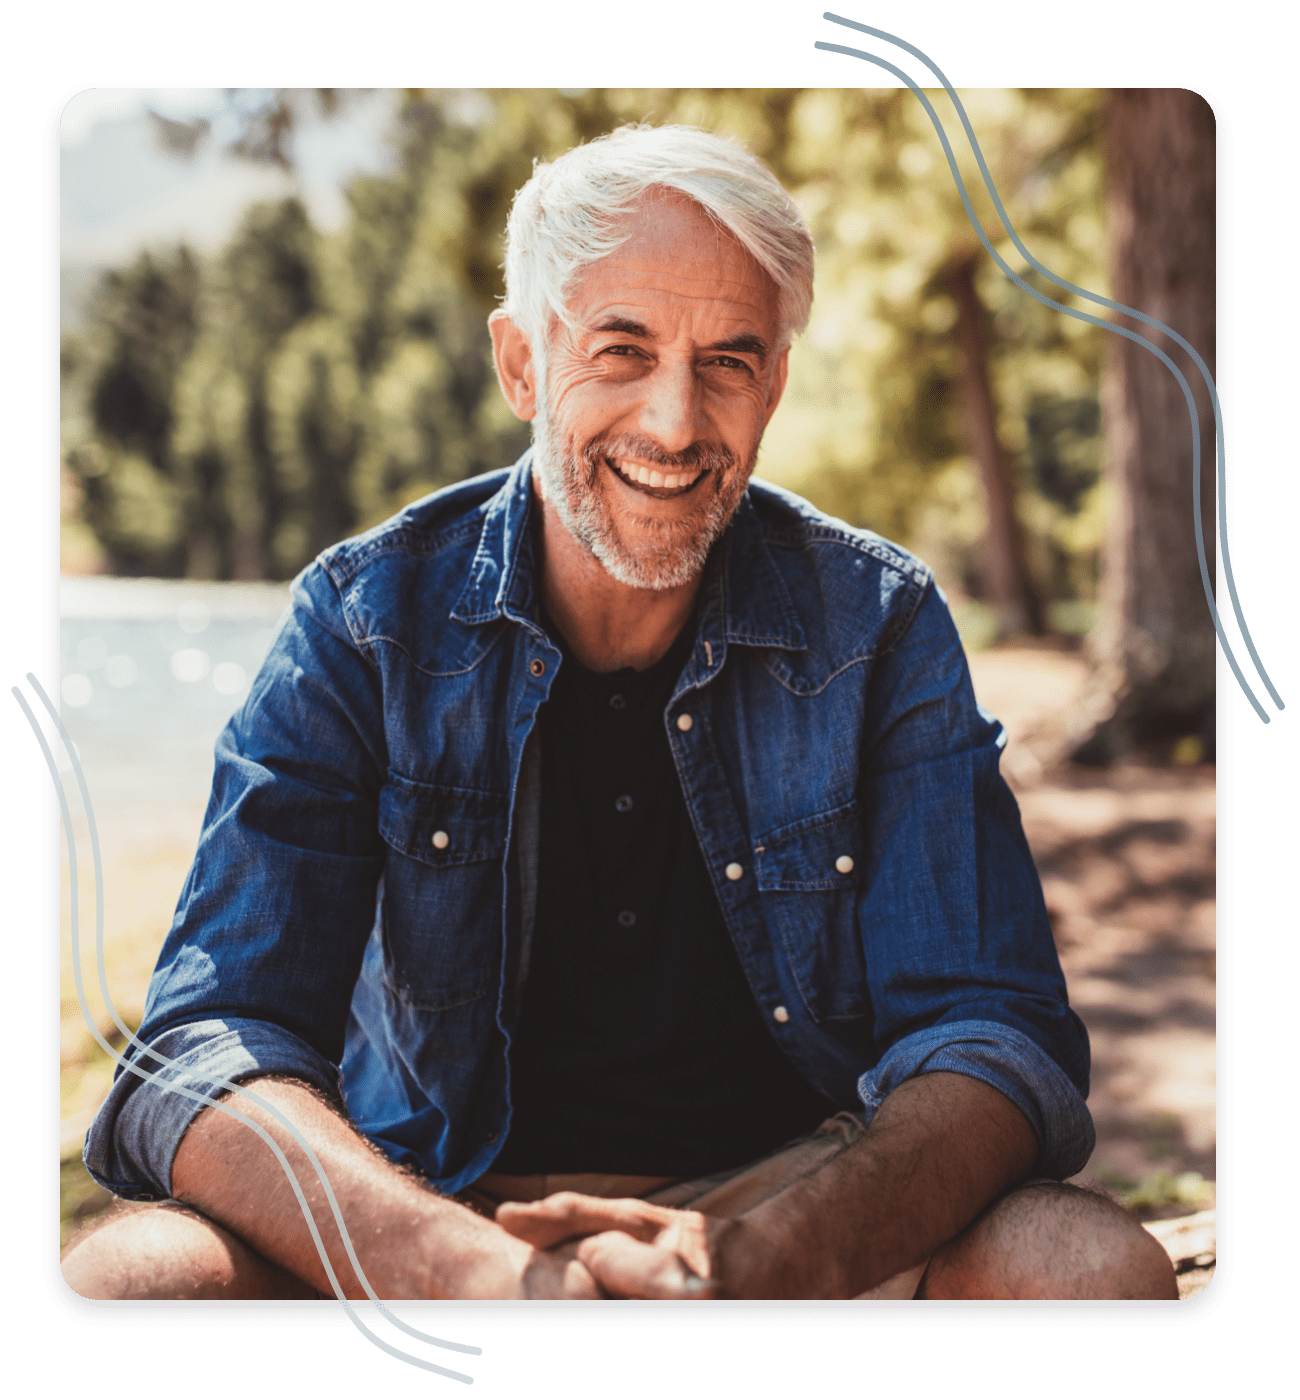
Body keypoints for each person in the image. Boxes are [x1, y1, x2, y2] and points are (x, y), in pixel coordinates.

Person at [63, 124, 1176, 1302]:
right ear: (521, 363)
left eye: (729, 361)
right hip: (431, 1199)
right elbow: (205, 1044)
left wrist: (760, 1258)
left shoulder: (877, 622)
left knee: (1085, 1268)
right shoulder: (364, 619)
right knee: (133, 1275)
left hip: (799, 1195)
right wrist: (474, 1270)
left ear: (776, 383)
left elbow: (991, 1036)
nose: (674, 421)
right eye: (622, 348)